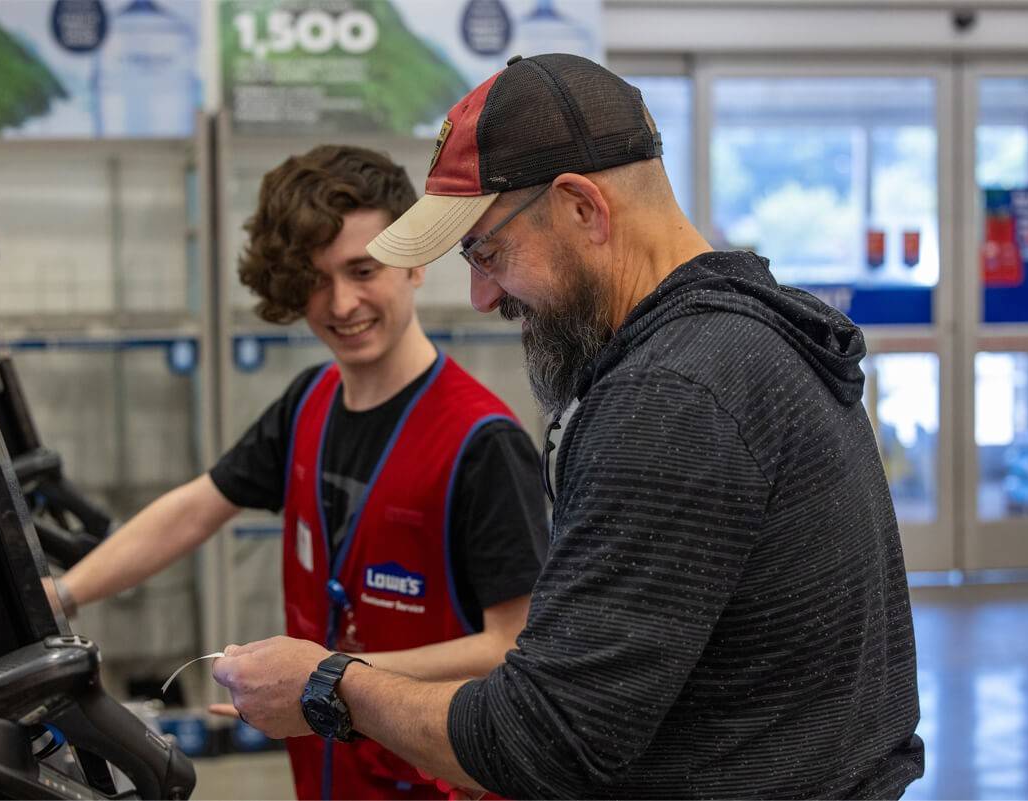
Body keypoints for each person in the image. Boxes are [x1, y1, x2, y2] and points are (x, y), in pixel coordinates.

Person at [211, 54, 925, 799]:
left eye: (488, 251)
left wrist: (331, 685)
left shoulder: (675, 396)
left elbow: (544, 741)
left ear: (582, 207)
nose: (484, 295)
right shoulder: (750, 337)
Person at [57, 144, 548, 800]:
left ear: (415, 264)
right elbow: (197, 506)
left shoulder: (480, 442)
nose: (341, 303)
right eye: (316, 279)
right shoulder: (308, 405)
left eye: (362, 269)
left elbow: (513, 646)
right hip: (329, 773)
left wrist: (331, 675)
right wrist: (63, 594)